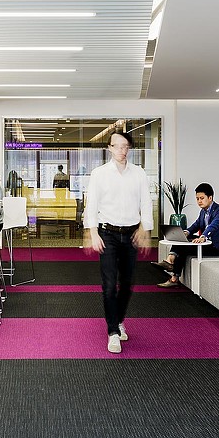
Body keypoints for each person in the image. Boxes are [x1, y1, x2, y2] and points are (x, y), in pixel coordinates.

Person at [83, 130, 153, 354]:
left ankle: (119, 318)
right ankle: (113, 331)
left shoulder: (139, 173)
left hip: (131, 234)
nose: (122, 151)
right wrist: (92, 233)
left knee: (128, 283)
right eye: (118, 146)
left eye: (126, 146)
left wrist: (145, 230)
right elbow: (91, 204)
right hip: (108, 234)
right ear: (110, 148)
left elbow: (146, 202)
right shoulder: (99, 174)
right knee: (109, 284)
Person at [155, 183, 219, 288]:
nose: (199, 201)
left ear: (210, 197)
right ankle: (170, 260)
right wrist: (187, 232)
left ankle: (174, 277)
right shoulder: (203, 212)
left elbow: (213, 226)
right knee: (182, 240)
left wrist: (203, 237)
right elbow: (196, 225)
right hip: (206, 244)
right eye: (197, 198)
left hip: (215, 247)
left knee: (184, 248)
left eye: (202, 198)